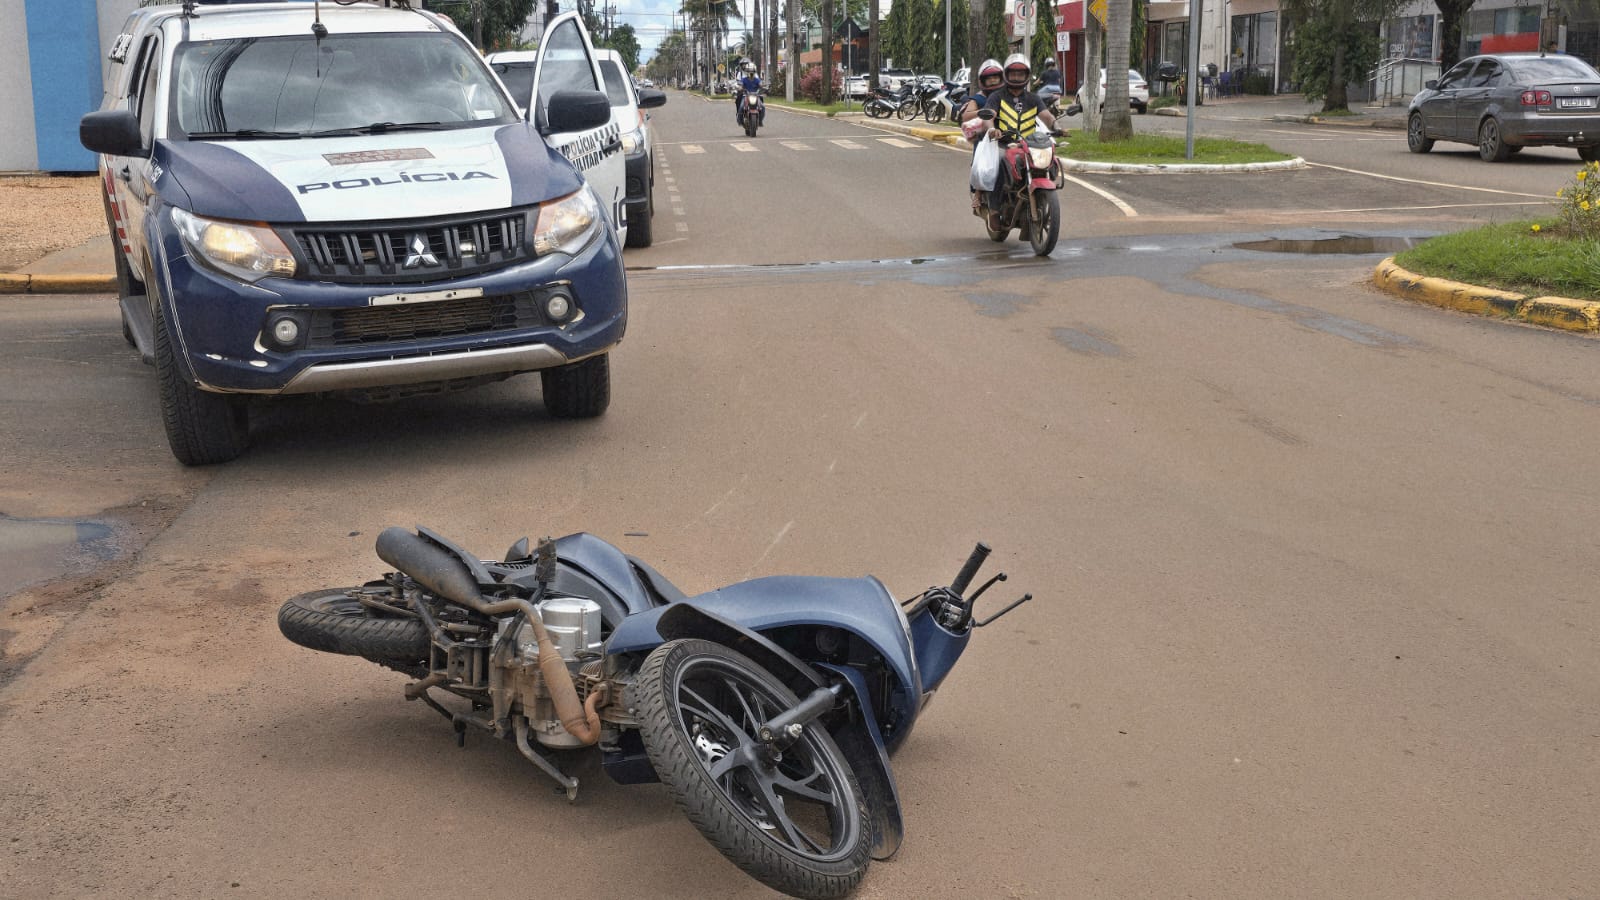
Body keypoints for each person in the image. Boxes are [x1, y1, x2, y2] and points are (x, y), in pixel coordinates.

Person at [982, 53, 1058, 224]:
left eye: (1020, 74)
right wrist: (992, 129)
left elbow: (1046, 116)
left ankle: (1041, 194)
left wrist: (1057, 126)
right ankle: (994, 209)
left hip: (1028, 145)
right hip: (1003, 144)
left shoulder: (1033, 98)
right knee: (999, 164)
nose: (1016, 77)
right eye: (1013, 74)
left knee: (1051, 161)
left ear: (1026, 76)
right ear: (1007, 75)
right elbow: (989, 116)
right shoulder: (997, 96)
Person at [962, 59, 1005, 211]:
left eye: (996, 77)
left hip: (1009, 133)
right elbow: (967, 116)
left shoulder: (1008, 95)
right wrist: (984, 112)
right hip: (988, 136)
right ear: (983, 81)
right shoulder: (979, 98)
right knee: (981, 156)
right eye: (989, 78)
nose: (993, 80)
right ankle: (978, 193)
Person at [734, 61, 764, 126]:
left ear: (754, 72)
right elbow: (740, 85)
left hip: (756, 96)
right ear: (746, 72)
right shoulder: (744, 79)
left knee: (762, 107)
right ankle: (740, 120)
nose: (751, 73)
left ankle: (760, 121)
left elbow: (760, 84)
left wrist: (762, 86)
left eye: (752, 71)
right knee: (741, 107)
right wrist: (740, 88)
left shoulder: (757, 79)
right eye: (749, 71)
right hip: (745, 96)